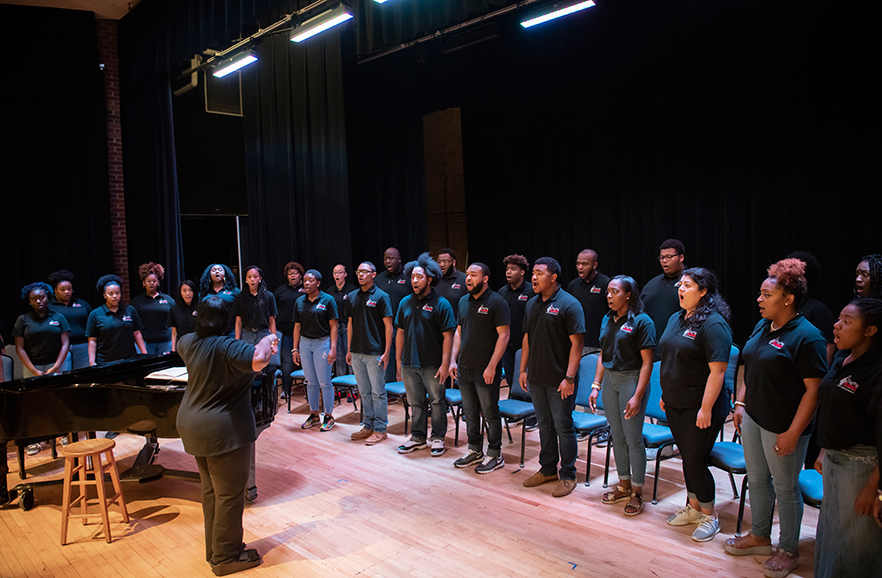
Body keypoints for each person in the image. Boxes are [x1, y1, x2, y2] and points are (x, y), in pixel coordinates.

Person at [727, 258, 827, 578]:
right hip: (755, 417)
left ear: (788, 298)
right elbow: (750, 366)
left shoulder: (808, 336)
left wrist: (794, 432)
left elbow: (814, 391)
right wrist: (741, 403)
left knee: (785, 488)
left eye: (766, 295)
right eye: (760, 293)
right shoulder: (762, 325)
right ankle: (759, 536)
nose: (759, 299)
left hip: (784, 426)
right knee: (756, 480)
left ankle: (788, 550)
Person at [175, 296, 277, 576]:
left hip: (192, 424)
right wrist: (269, 339)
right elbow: (259, 360)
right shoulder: (226, 347)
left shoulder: (187, 342)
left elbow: (182, 344)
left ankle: (215, 549)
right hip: (222, 429)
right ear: (228, 320)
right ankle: (226, 557)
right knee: (230, 495)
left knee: (211, 491)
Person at [658, 267, 732, 542]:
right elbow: (669, 359)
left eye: (687, 285)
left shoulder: (713, 324)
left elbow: (718, 371)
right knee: (686, 458)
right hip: (676, 402)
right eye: (680, 284)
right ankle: (693, 507)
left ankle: (710, 516)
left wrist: (706, 409)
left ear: (703, 291)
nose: (680, 289)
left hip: (700, 407)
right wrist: (666, 394)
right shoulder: (677, 318)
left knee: (695, 461)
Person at [811, 299, 882, 577]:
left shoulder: (876, 372)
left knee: (857, 544)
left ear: (870, 331)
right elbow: (830, 408)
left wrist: (875, 488)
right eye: (838, 318)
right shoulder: (842, 357)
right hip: (834, 460)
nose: (836, 325)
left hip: (862, 468)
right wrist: (822, 451)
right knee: (832, 533)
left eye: (847, 322)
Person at [588, 275, 655, 516]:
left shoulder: (642, 322)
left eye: (614, 291)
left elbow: (648, 363)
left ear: (628, 294)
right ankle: (624, 485)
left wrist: (637, 395)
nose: (608, 295)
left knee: (633, 438)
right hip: (610, 381)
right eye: (607, 291)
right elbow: (602, 355)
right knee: (617, 436)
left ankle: (637, 492)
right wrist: (596, 385)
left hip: (631, 380)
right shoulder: (607, 319)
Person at [519, 257, 585, 498]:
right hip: (536, 377)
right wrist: (523, 370)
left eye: (539, 273)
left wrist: (569, 378)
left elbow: (577, 344)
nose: (533, 277)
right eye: (533, 273)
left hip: (560, 380)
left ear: (554, 277)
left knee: (563, 427)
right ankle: (547, 469)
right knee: (544, 426)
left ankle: (568, 474)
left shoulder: (569, 304)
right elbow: (526, 338)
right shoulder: (531, 303)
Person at [449, 263, 511, 474]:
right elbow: (458, 332)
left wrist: (493, 366)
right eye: (467, 275)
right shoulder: (463, 301)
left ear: (485, 279)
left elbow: (504, 336)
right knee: (470, 413)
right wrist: (452, 360)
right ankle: (475, 450)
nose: (468, 278)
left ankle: (495, 453)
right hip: (465, 368)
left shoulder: (497, 302)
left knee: (490, 413)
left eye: (473, 275)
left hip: (486, 369)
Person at [395, 253, 456, 456]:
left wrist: (445, 363)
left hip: (433, 364)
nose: (414, 280)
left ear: (429, 278)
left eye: (419, 277)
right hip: (409, 363)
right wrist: (398, 360)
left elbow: (449, 336)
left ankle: (438, 438)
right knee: (415, 403)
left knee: (437, 402)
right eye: (412, 277)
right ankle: (418, 437)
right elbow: (400, 332)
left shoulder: (442, 304)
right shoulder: (404, 302)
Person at [346, 261, 394, 445]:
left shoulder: (382, 296)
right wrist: (350, 349)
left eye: (364, 272)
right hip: (357, 352)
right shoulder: (351, 297)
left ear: (373, 274)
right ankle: (368, 425)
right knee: (364, 392)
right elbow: (350, 324)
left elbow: (388, 326)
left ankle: (380, 429)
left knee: (378, 392)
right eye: (358, 271)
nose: (360, 275)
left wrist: (387, 351)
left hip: (375, 352)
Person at [292, 270, 339, 432]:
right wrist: (295, 348)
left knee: (324, 382)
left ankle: (329, 415)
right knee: (310, 381)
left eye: (310, 280)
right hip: (305, 343)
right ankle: (313, 414)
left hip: (322, 343)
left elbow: (334, 326)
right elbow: (297, 327)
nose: (306, 283)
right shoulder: (299, 302)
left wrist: (333, 348)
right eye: (304, 280)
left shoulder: (328, 300)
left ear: (318, 283)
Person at [86, 274, 148, 366]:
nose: (114, 296)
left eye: (117, 293)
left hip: (129, 358)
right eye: (110, 293)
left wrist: (144, 354)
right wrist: (92, 361)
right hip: (106, 360)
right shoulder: (95, 314)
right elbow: (92, 340)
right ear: (104, 295)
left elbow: (137, 333)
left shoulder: (130, 310)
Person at [14, 283, 71, 380]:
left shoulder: (59, 317)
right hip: (32, 366)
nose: (38, 301)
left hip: (58, 363)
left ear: (47, 298)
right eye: (34, 299)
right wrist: (34, 370)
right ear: (30, 302)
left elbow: (65, 344)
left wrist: (56, 367)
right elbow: (19, 348)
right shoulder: (22, 319)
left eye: (41, 298)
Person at [642, 239, 687, 359]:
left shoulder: (691, 284)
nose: (664, 261)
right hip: (651, 351)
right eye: (662, 258)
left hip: (680, 352)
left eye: (669, 257)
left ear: (681, 257)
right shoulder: (651, 284)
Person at [497, 254, 534, 386]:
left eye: (513, 269)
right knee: (511, 379)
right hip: (508, 345)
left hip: (527, 345)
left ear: (522, 272)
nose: (508, 271)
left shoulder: (532, 291)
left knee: (526, 381)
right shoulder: (502, 292)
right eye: (507, 269)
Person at [565, 248, 609, 355]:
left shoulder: (606, 283)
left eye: (584, 264)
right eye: (578, 264)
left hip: (598, 345)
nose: (580, 267)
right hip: (576, 343)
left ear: (594, 265)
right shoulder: (573, 285)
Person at [47, 270, 92, 369]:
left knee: (84, 376)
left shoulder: (83, 305)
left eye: (69, 289)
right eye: (62, 289)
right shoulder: (49, 308)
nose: (66, 292)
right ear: (55, 290)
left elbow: (92, 325)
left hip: (82, 346)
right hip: (59, 349)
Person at [378, 247, 410, 382]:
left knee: (405, 357)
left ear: (399, 260)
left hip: (404, 326)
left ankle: (408, 390)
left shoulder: (408, 277)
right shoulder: (379, 279)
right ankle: (390, 389)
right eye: (386, 258)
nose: (388, 261)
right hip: (385, 326)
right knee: (387, 356)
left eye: (391, 258)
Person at [131, 262, 175, 354]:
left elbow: (176, 319)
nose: (151, 283)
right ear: (143, 283)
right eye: (148, 281)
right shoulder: (136, 302)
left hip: (166, 342)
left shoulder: (168, 299)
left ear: (158, 283)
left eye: (154, 281)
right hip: (145, 344)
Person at [274, 261, 305, 394]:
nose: (292, 276)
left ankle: (310, 389)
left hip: (305, 333)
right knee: (286, 362)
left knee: (307, 361)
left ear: (300, 275)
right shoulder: (281, 290)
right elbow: (273, 310)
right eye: (289, 274)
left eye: (295, 273)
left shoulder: (307, 288)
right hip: (286, 332)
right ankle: (286, 389)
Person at [233, 266, 277, 345]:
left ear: (260, 279)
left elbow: (272, 320)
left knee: (262, 357)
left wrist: (274, 341)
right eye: (249, 277)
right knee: (247, 357)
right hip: (246, 333)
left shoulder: (268, 296)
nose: (252, 279)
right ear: (246, 279)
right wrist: (237, 341)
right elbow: (238, 321)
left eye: (255, 277)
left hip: (263, 333)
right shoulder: (240, 297)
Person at [199, 264, 241, 336]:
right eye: (214, 270)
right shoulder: (203, 293)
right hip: (209, 334)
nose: (217, 272)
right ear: (209, 275)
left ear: (225, 274)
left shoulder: (234, 291)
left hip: (231, 332)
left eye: (220, 270)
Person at [330, 264, 355, 376]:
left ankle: (353, 389)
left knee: (349, 355)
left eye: (340, 272)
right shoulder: (330, 292)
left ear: (345, 274)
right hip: (335, 327)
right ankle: (340, 387)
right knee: (339, 357)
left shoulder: (352, 291)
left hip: (348, 326)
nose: (337, 275)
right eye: (335, 272)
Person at [436, 248, 468, 322]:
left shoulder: (464, 279)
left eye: (445, 261)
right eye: (439, 262)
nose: (441, 265)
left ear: (453, 262)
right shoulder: (434, 280)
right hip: (436, 327)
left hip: (456, 326)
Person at [168, 280, 199, 352]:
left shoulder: (201, 307)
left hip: (198, 346)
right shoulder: (174, 309)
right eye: (184, 291)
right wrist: (173, 350)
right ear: (180, 293)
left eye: (190, 290)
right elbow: (174, 332)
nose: (188, 293)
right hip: (182, 346)